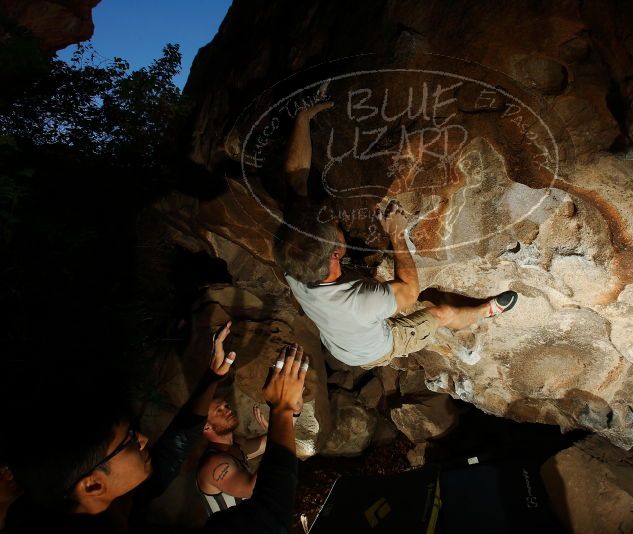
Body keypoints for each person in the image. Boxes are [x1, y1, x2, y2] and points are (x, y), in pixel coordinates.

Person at [274, 101, 519, 368]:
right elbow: (410, 291)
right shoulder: (359, 302)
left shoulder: (293, 263)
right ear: (335, 253)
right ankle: (486, 311)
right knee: (442, 313)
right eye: (335, 228)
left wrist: (302, 117)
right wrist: (397, 234)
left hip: (339, 343)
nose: (335, 221)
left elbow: (295, 180)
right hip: (373, 350)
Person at [6, 321, 308, 534]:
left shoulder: (118, 503)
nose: (143, 439)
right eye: (127, 442)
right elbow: (268, 518)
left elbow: (172, 449)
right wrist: (281, 409)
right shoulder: (215, 464)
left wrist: (212, 376)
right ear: (93, 485)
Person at [196, 399, 269, 514]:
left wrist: (294, 412)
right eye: (219, 410)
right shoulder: (213, 463)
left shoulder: (236, 447)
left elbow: (270, 442)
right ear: (206, 427)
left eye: (226, 406)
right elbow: (252, 489)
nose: (228, 410)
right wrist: (275, 436)